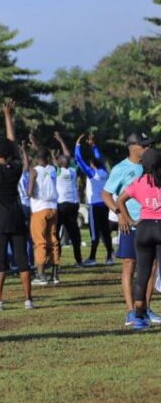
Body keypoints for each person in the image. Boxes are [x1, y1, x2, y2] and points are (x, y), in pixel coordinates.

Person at [0, 101, 35, 312]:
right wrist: (8, 116)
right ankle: (28, 300)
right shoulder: (16, 168)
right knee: (22, 261)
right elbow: (12, 143)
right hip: (17, 218)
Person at [102, 131, 156, 327]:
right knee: (130, 266)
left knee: (151, 267)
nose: (147, 148)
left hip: (150, 223)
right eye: (144, 145)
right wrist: (119, 213)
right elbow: (106, 194)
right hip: (129, 225)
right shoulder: (121, 169)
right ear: (133, 147)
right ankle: (131, 311)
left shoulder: (150, 166)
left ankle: (146, 309)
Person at [116, 148, 161, 330]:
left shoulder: (139, 182)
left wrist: (130, 220)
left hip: (142, 229)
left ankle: (138, 316)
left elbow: (120, 200)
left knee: (142, 274)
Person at [74, 133, 112, 265]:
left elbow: (79, 161)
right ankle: (109, 258)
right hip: (105, 204)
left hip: (95, 206)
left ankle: (92, 258)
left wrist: (77, 145)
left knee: (95, 233)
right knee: (105, 231)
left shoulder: (92, 173)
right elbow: (99, 158)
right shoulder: (105, 172)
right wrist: (94, 146)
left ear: (92, 164)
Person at [27, 139, 61, 286]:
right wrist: (37, 146)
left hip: (39, 208)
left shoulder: (34, 171)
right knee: (53, 240)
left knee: (40, 242)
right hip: (53, 208)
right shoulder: (52, 169)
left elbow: (29, 192)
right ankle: (55, 274)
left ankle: (41, 275)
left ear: (36, 159)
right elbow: (44, 153)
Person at [52, 132, 83, 266]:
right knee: (74, 233)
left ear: (60, 163)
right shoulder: (73, 171)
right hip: (73, 205)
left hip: (61, 206)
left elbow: (64, 157)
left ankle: (56, 260)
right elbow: (68, 155)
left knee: (56, 233)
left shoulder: (56, 171)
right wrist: (61, 140)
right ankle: (79, 261)